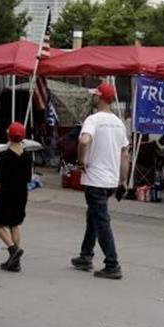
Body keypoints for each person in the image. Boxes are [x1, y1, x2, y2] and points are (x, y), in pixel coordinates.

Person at [71, 82, 129, 279]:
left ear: (101, 97)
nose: (93, 98)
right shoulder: (119, 123)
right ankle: (85, 255)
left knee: (101, 220)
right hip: (111, 180)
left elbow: (84, 140)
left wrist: (81, 161)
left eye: (95, 95)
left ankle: (112, 264)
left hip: (95, 179)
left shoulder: (93, 120)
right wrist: (122, 181)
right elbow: (125, 155)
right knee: (94, 217)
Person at [0, 122, 33, 272]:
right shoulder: (27, 156)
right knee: (14, 224)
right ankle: (15, 261)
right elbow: (28, 178)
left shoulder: (5, 156)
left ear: (9, 136)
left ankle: (13, 249)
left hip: (5, 193)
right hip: (21, 193)